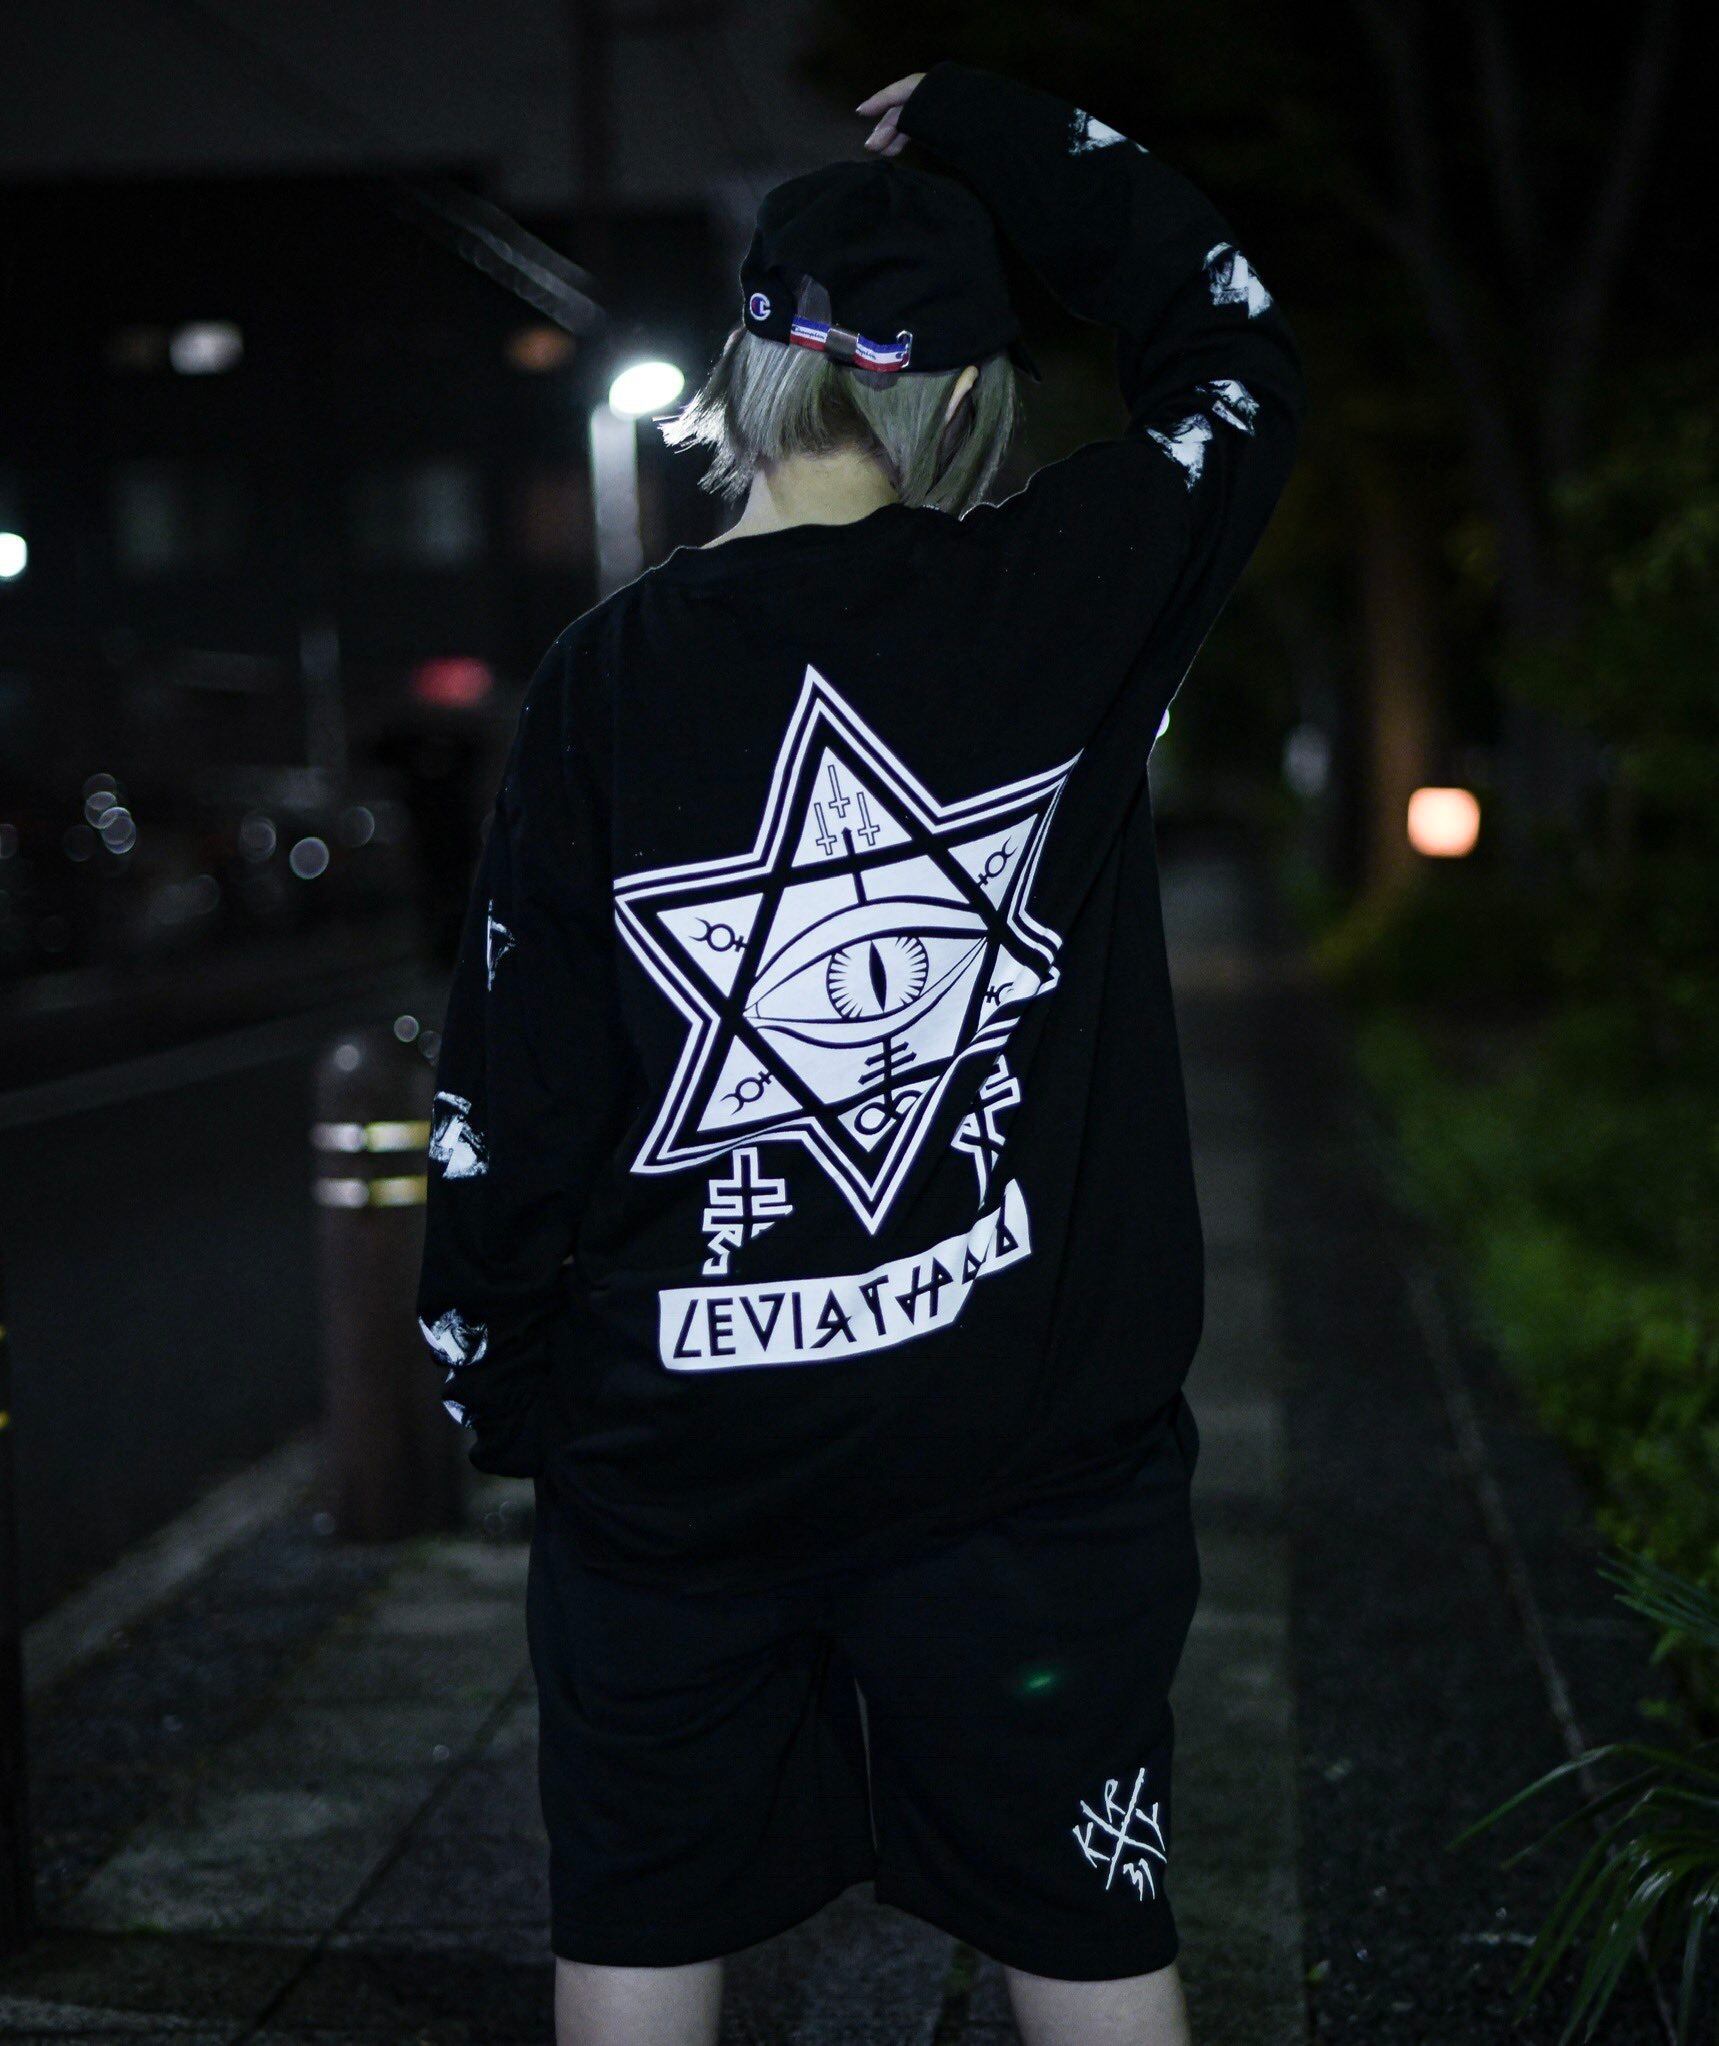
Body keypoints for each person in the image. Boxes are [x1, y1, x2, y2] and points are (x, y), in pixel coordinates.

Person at [416, 58, 1303, 2046]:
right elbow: (1233, 343)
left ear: (747, 375)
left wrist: (504, 1394)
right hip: (1026, 1466)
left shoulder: (604, 681)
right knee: (1090, 1947)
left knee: (638, 1934)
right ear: (964, 399)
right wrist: (1008, 139)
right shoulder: (1072, 591)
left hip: (678, 1468)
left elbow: (511, 1094)